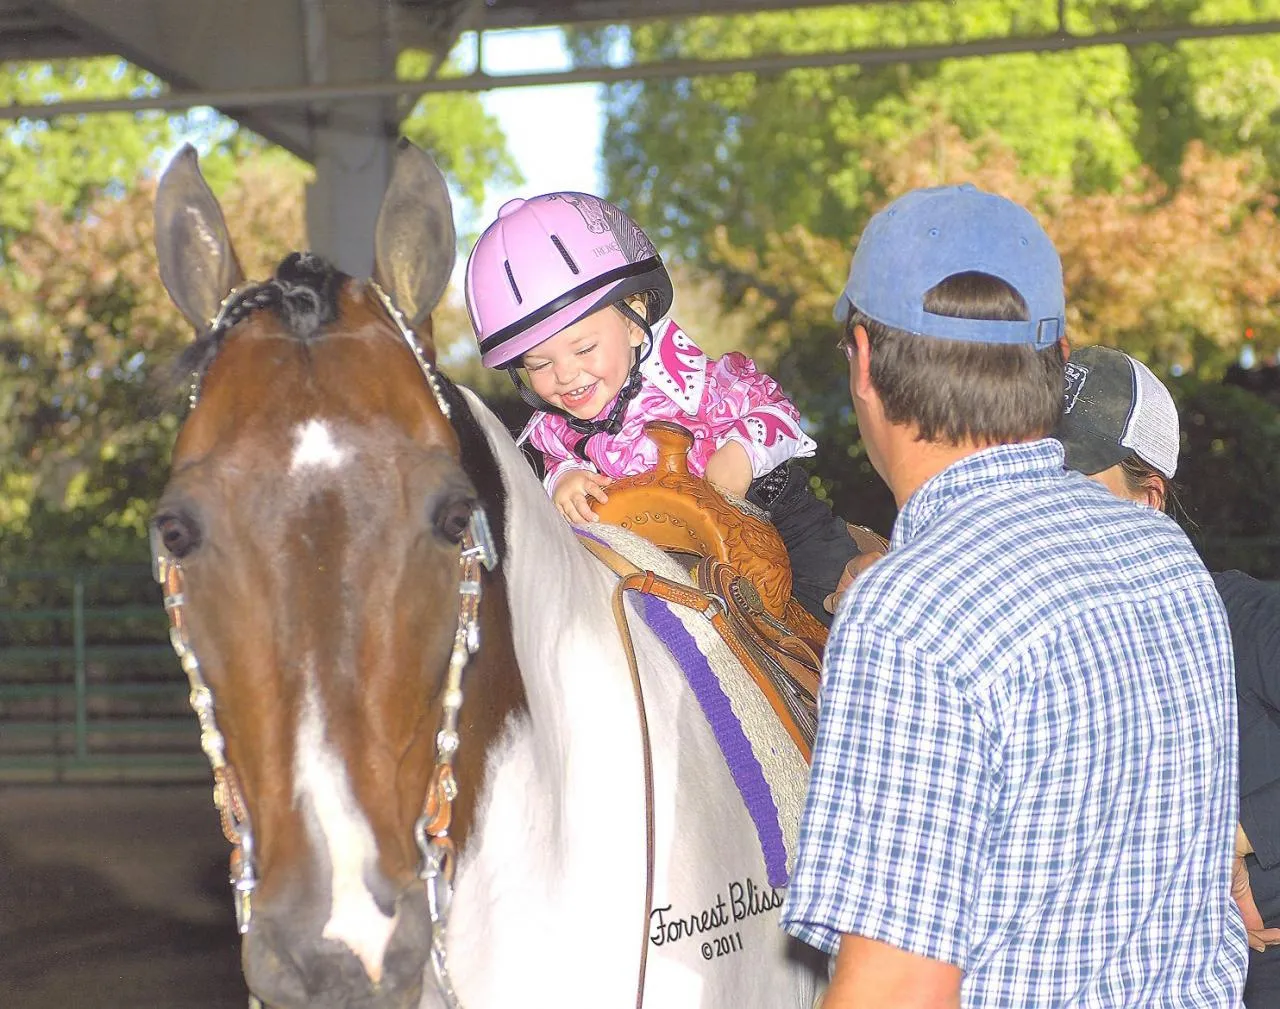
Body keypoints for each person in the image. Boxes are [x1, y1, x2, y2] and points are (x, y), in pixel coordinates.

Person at [781, 183, 1247, 1007]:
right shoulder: (1165, 555)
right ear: (1060, 360)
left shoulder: (910, 614)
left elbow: (896, 991)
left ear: (861, 361)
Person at [463, 191, 874, 624]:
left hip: (777, 522)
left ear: (632, 320)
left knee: (843, 604)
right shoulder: (555, 428)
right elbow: (555, 461)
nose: (565, 375)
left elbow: (775, 410)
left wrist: (743, 454)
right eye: (540, 365)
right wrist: (562, 480)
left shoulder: (699, 384)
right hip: (659, 555)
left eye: (583, 349)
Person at [1055, 343, 1280, 1006]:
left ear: (1148, 495)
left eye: (1070, 488)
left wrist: (1241, 830)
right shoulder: (1034, 653)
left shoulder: (1242, 619)